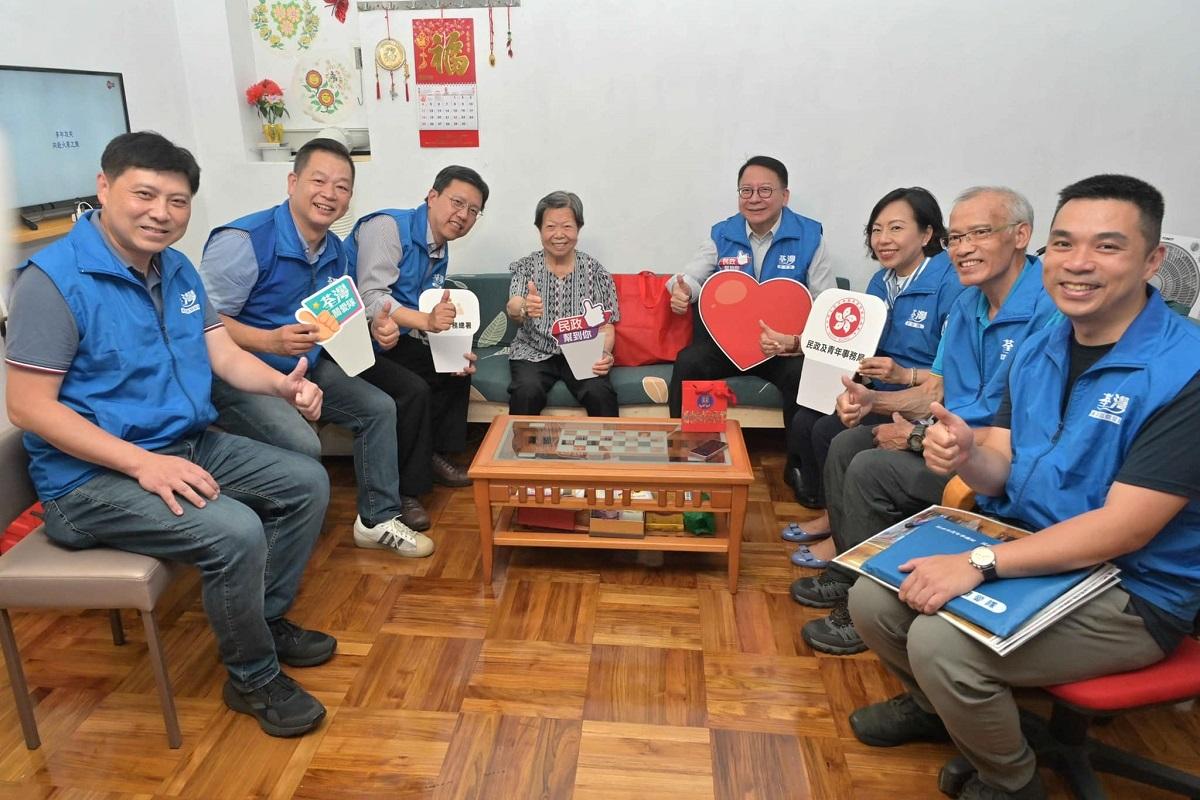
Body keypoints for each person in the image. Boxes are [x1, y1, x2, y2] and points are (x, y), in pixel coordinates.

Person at [848, 174, 1200, 800]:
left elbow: (1125, 529)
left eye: (1107, 246)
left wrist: (979, 563)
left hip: (1134, 587)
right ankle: (937, 710)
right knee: (873, 598)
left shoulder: (1185, 371)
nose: (1078, 263)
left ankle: (1011, 781)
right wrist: (966, 455)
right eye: (1064, 244)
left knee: (942, 642)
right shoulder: (1042, 344)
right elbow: (1004, 463)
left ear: (1152, 261)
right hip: (1029, 544)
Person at [4, 131, 335, 737]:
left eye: (177, 201)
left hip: (183, 443)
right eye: (145, 195)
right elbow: (28, 408)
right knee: (236, 530)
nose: (161, 213)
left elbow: (221, 355)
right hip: (87, 482)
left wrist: (283, 386)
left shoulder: (176, 268)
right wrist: (141, 464)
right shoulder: (51, 282)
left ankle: (261, 621)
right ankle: (252, 677)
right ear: (104, 188)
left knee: (306, 481)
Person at [793, 187, 1060, 656]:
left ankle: (865, 607)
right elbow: (936, 390)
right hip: (952, 443)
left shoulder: (1051, 313)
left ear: (1021, 236)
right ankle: (850, 574)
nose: (963, 248)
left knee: (870, 467)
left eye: (979, 234)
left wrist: (915, 436)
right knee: (846, 441)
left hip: (998, 466)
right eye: (958, 237)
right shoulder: (968, 305)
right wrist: (871, 400)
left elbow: (1024, 429)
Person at [200, 138, 433, 558]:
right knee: (304, 445)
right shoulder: (244, 241)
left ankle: (377, 520)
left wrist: (377, 331)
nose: (330, 194)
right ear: (293, 183)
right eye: (319, 181)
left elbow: (338, 321)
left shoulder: (335, 252)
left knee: (379, 408)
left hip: (304, 365)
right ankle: (267, 531)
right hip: (239, 372)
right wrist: (268, 340)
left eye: (342, 187)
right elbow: (202, 324)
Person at [782, 187, 963, 541]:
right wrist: (803, 346)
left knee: (829, 431)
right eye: (876, 230)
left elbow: (952, 372)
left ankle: (840, 529)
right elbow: (855, 341)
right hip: (878, 388)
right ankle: (832, 514)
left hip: (921, 400)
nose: (883, 239)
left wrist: (905, 375)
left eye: (896, 228)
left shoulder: (951, 283)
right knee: (805, 420)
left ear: (927, 233)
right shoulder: (881, 281)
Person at [665, 156, 834, 429]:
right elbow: (691, 278)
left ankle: (798, 456)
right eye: (746, 191)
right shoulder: (722, 233)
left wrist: (794, 342)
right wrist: (681, 290)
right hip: (727, 344)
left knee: (802, 373)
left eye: (765, 190)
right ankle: (688, 445)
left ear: (784, 196)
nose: (754, 198)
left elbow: (825, 302)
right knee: (689, 362)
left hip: (781, 348)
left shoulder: (810, 237)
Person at [350, 165, 487, 490]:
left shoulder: (439, 249)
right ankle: (408, 491)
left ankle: (435, 456)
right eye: (457, 202)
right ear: (432, 196)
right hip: (351, 343)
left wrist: (452, 351)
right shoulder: (387, 227)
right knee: (414, 390)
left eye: (473, 210)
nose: (463, 215)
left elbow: (422, 310)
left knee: (455, 370)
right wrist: (426, 321)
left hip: (390, 339)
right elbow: (372, 297)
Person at [506, 191, 620, 416]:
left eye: (567, 226)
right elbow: (513, 306)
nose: (559, 235)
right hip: (533, 350)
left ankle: (607, 441)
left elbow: (606, 325)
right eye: (550, 227)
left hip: (583, 350)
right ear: (539, 229)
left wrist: (604, 353)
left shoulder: (595, 271)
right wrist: (525, 307)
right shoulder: (526, 267)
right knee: (526, 391)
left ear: (579, 228)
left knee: (600, 393)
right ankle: (518, 441)